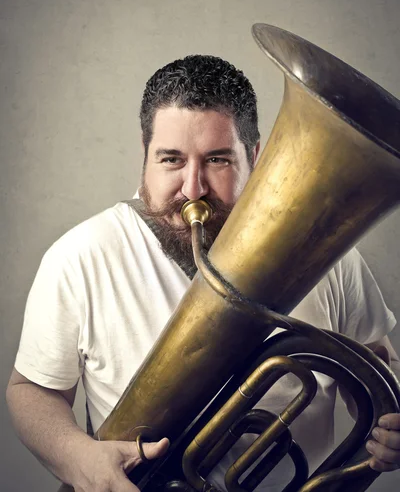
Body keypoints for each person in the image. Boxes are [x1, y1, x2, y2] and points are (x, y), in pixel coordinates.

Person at [6, 55, 400, 492]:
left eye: (217, 160)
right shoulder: (81, 256)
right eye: (171, 160)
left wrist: (391, 423)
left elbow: (375, 360)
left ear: (255, 157)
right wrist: (78, 458)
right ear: (144, 154)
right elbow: (32, 390)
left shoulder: (328, 253)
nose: (193, 189)